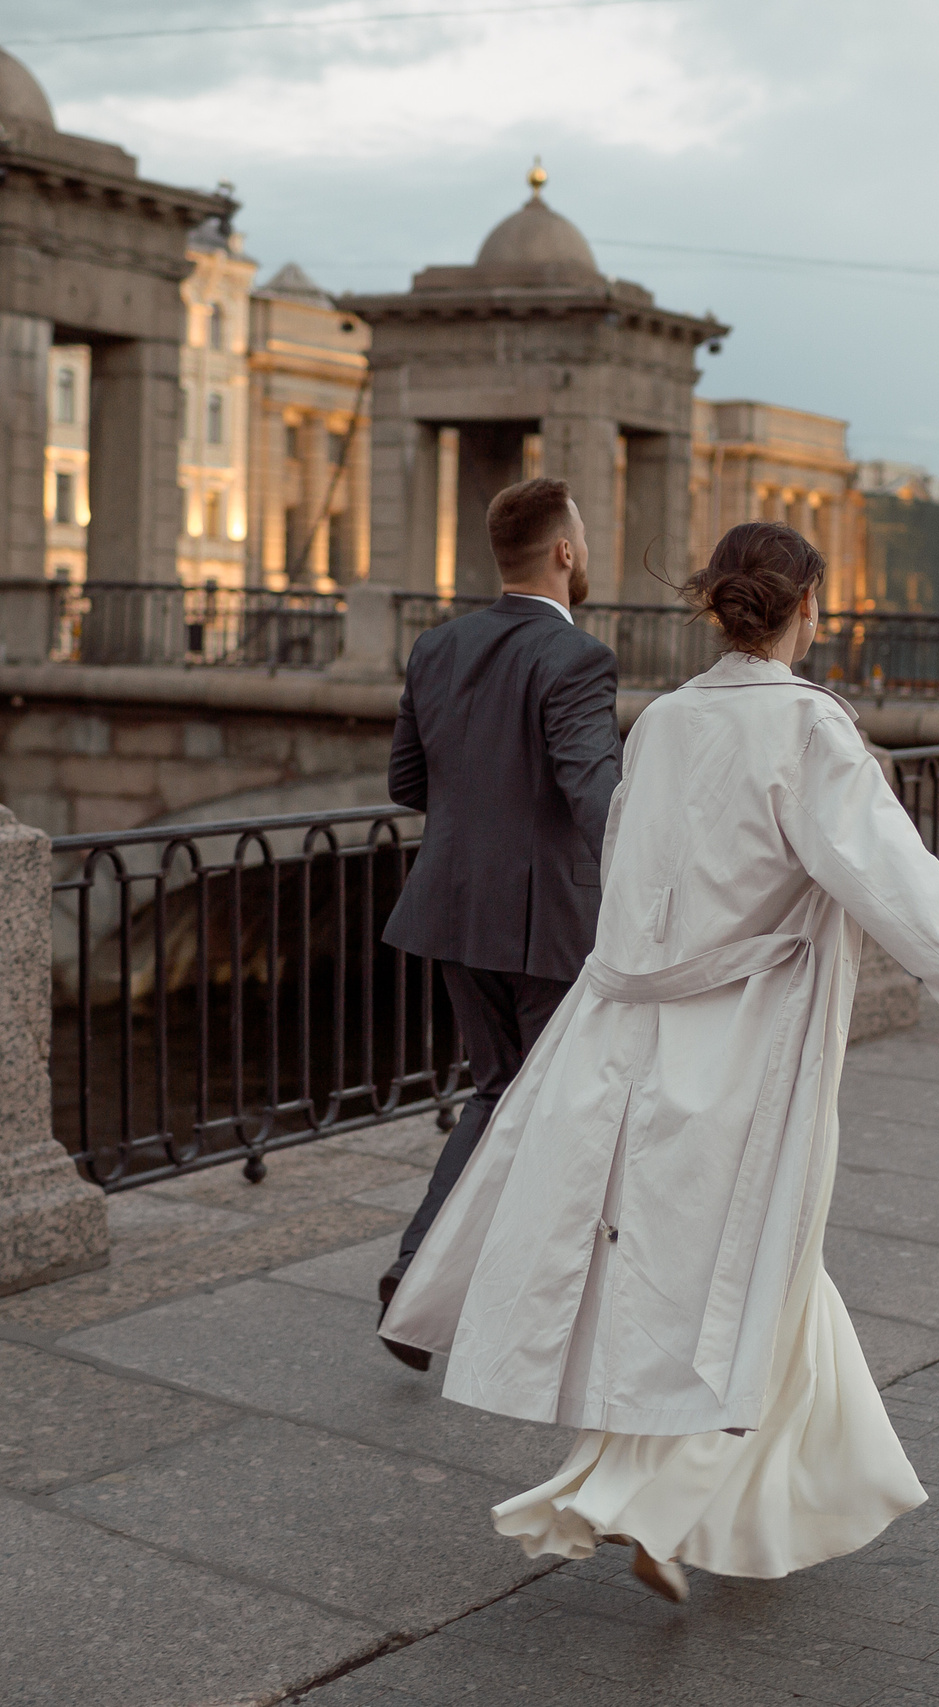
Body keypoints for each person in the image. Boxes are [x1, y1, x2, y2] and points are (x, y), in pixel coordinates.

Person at [381, 521, 939, 1604]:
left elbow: (628, 883)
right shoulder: (809, 729)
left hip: (637, 1026)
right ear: (807, 605)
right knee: (750, 1259)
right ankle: (653, 1497)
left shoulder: (668, 721)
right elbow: (888, 869)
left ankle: (745, 1496)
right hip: (749, 1037)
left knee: (729, 1263)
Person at [374, 476, 621, 1373]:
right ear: (563, 550)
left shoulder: (438, 646)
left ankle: (431, 1280)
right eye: (583, 538)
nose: (585, 550)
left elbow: (407, 783)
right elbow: (595, 793)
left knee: (502, 1093)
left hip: (450, 909)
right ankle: (429, 1276)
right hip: (545, 924)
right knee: (545, 1102)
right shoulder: (577, 660)